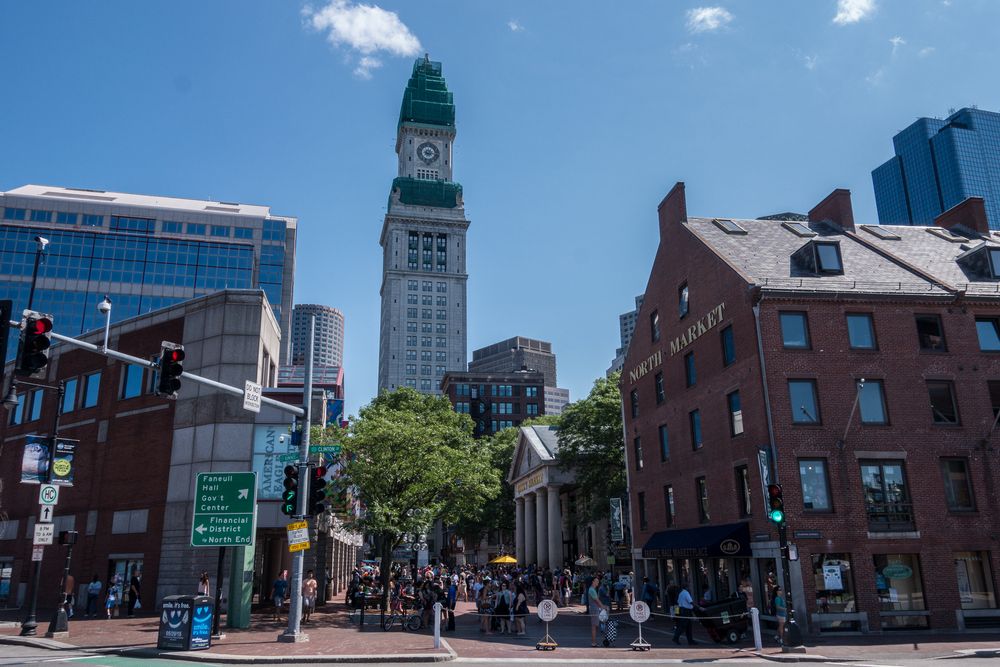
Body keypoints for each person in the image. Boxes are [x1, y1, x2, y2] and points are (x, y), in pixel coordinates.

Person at [672, 581, 695, 645]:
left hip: (682, 610)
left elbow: (678, 603)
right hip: (686, 611)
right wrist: (697, 607)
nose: (690, 587)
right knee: (683, 626)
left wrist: (676, 613)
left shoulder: (681, 593)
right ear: (687, 587)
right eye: (689, 586)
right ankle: (675, 637)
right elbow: (691, 602)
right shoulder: (686, 593)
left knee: (688, 626)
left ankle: (690, 640)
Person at [587, 576, 607, 648]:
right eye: (596, 581)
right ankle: (593, 642)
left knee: (595, 626)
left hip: (594, 608)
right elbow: (596, 600)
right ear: (593, 582)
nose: (597, 582)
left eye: (598, 581)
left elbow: (597, 600)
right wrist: (603, 606)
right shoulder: (592, 589)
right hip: (594, 609)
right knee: (594, 626)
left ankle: (594, 642)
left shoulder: (592, 589)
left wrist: (601, 606)